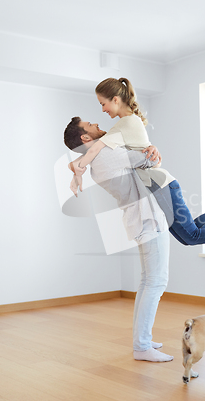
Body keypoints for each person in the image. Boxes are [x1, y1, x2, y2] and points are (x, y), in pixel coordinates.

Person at [69, 77, 205, 251]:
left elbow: (95, 150)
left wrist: (78, 170)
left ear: (115, 100)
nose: (102, 110)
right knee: (189, 234)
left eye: (103, 103)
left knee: (190, 236)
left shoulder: (124, 124)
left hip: (159, 184)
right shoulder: (125, 123)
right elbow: (94, 151)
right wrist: (76, 167)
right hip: (160, 182)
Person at [64, 119, 173, 362]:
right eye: (89, 124)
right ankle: (142, 346)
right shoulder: (105, 156)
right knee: (156, 282)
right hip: (147, 219)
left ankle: (142, 340)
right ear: (85, 138)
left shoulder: (97, 160)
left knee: (148, 282)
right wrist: (151, 150)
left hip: (140, 219)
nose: (96, 122)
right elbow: (150, 159)